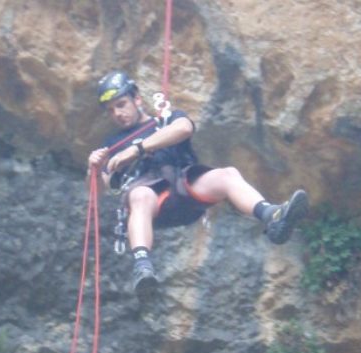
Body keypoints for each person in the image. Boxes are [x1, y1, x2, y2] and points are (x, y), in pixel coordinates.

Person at [87, 71, 308, 297]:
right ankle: (142, 266)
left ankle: (272, 217)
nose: (117, 113)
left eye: (121, 104)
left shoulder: (166, 119)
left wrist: (137, 149)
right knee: (140, 195)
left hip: (183, 188)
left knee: (227, 175)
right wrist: (95, 170)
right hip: (153, 202)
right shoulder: (113, 145)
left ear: (137, 99)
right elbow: (97, 191)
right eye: (111, 110)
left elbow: (184, 128)